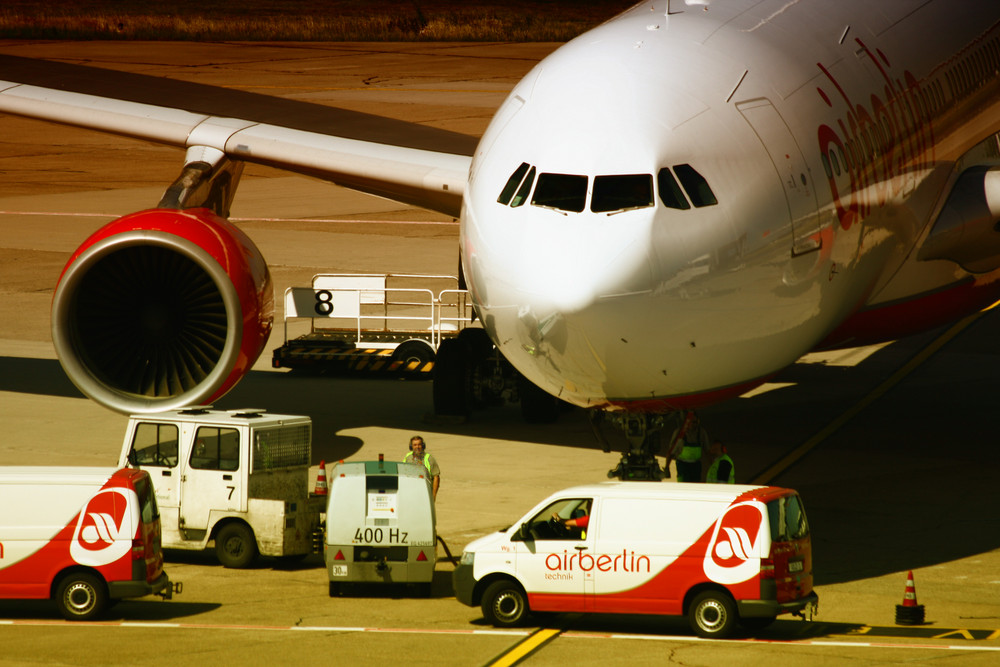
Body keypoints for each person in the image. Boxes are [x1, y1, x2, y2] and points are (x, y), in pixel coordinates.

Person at [666, 411, 710, 482]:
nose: (693, 424)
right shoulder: (679, 433)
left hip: (696, 466)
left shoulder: (701, 433)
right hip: (682, 465)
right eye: (691, 422)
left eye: (695, 422)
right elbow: (671, 452)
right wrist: (667, 467)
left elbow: (707, 451)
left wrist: (712, 465)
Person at [403, 435, 440, 500]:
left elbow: (436, 477)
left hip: (425, 492)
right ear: (411, 446)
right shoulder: (408, 457)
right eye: (415, 445)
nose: (417, 447)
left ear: (423, 446)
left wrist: (433, 496)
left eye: (419, 444)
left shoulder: (429, 458)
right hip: (410, 490)